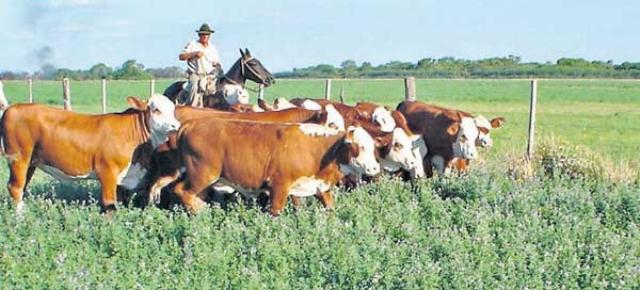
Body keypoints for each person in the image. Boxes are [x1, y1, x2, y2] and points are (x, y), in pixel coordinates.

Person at [178, 23, 223, 106]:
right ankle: (192, 107)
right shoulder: (192, 44)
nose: (205, 36)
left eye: (207, 34)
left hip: (209, 75)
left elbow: (216, 62)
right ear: (199, 35)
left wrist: (218, 67)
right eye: (203, 34)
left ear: (210, 35)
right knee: (195, 87)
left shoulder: (212, 48)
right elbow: (181, 57)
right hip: (195, 74)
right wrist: (194, 54)